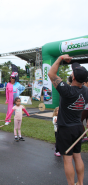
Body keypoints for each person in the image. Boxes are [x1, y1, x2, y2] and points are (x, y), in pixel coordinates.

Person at [48, 55, 88, 185]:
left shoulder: (67, 90)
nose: (71, 72)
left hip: (66, 129)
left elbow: (51, 73)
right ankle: (80, 183)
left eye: (72, 72)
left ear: (74, 77)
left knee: (67, 159)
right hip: (78, 127)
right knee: (77, 156)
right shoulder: (86, 91)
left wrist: (60, 58)